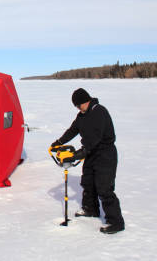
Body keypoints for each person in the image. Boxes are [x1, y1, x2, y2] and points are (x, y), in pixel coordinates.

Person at [51, 88, 125, 234]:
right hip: (91, 153)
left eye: (79, 105)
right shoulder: (82, 115)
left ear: (87, 100)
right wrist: (58, 142)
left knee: (104, 188)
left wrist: (77, 155)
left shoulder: (99, 112)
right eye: (76, 107)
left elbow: (94, 140)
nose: (79, 108)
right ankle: (91, 209)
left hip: (105, 153)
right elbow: (73, 130)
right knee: (88, 182)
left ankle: (116, 222)